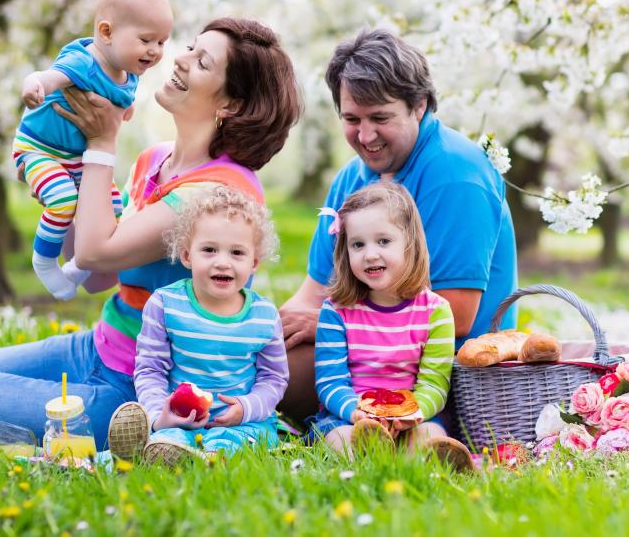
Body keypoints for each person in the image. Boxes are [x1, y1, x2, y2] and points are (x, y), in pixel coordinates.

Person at [0, 17, 301, 450]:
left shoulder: (217, 193)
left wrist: (101, 145)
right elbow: (99, 276)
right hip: (98, 347)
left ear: (230, 105)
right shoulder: (156, 160)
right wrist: (67, 175)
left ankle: (121, 437)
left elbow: (97, 253)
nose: (180, 58)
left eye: (202, 61)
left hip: (142, 389)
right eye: (190, 47)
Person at [279, 29, 518, 424]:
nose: (365, 135)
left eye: (380, 118)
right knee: (255, 355)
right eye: (352, 119)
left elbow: (455, 315)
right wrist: (252, 334)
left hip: (438, 368)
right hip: (362, 353)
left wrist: (328, 324)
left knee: (281, 370)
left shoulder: (457, 174)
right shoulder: (351, 180)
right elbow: (313, 291)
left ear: (419, 105)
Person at [14, 0, 173, 300]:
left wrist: (121, 115)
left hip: (76, 158)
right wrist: (34, 86)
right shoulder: (84, 62)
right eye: (147, 40)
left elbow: (120, 106)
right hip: (40, 149)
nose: (155, 51)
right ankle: (44, 260)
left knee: (112, 209)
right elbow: (48, 76)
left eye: (162, 42)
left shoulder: (128, 74)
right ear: (106, 32)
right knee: (62, 201)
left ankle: (76, 269)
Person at [105, 187, 287, 465]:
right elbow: (150, 369)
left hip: (244, 424)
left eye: (237, 253)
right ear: (188, 256)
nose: (222, 262)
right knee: (170, 439)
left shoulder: (263, 316)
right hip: (179, 419)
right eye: (209, 250)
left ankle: (207, 456)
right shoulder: (165, 305)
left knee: (233, 442)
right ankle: (160, 446)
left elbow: (273, 379)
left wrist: (246, 408)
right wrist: (159, 416)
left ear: (254, 263)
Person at [309, 182, 474, 470]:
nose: (370, 254)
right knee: (340, 439)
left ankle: (422, 463)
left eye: (383, 241)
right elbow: (330, 382)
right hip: (349, 417)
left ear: (409, 243)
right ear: (345, 251)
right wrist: (356, 413)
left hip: (409, 419)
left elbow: (434, 384)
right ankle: (370, 455)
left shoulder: (435, 311)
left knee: (431, 434)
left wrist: (414, 413)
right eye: (358, 245)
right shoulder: (336, 310)